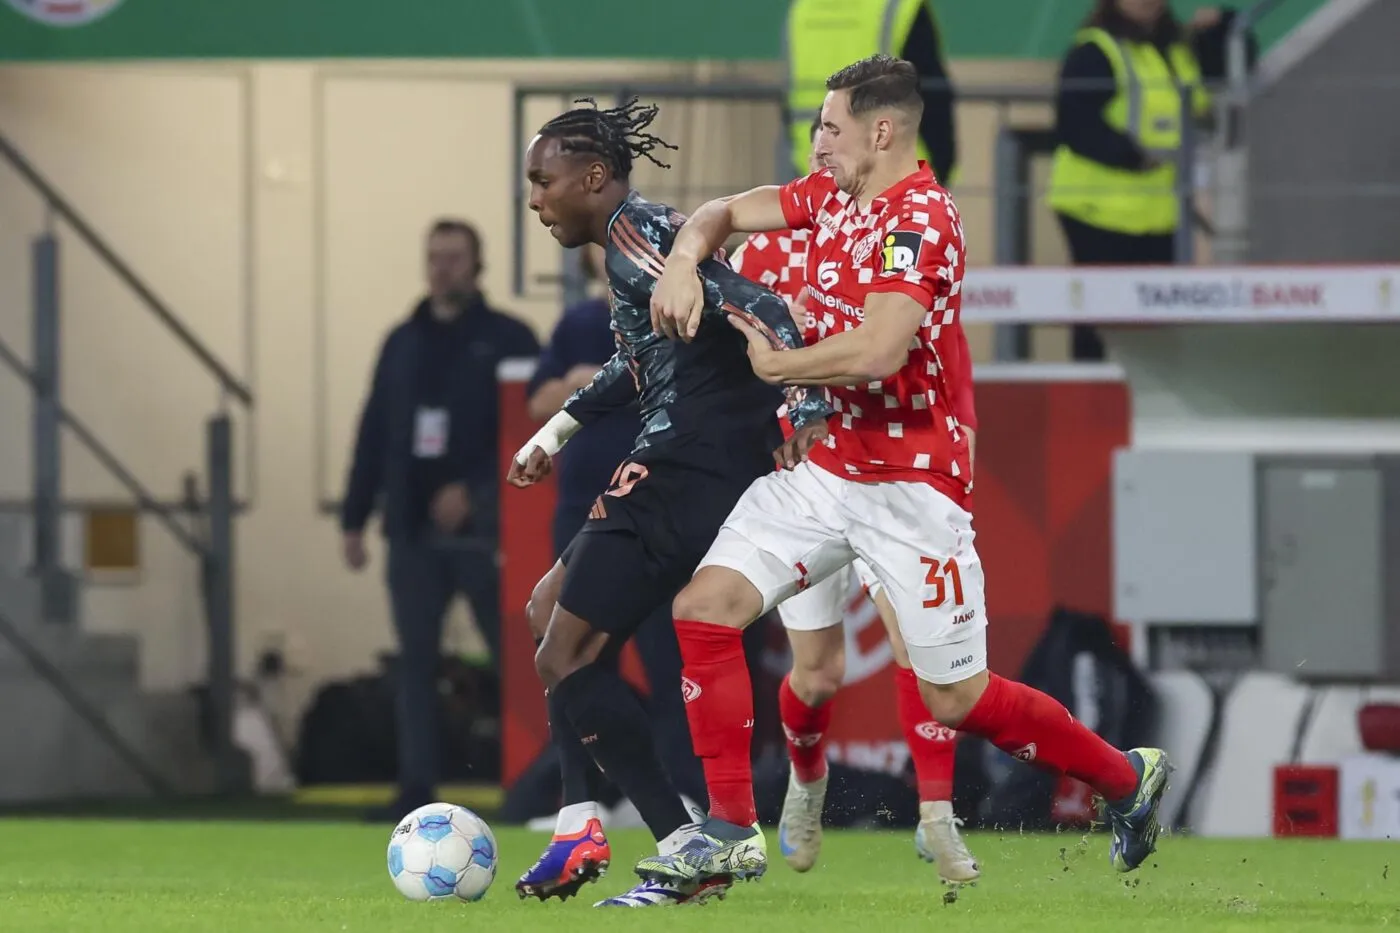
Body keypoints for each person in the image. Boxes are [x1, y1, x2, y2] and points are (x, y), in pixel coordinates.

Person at [636, 53, 1171, 890]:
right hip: (825, 470)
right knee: (704, 609)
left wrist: (781, 366)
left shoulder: (922, 217)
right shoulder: (831, 196)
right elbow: (723, 211)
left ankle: (1125, 779)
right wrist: (681, 260)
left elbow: (882, 348)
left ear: (881, 131)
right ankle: (731, 827)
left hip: (912, 485)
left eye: (830, 127)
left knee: (956, 697)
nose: (817, 143)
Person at [508, 97, 833, 908]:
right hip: (672, 460)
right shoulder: (634, 246)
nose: (534, 199)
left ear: (593, 177)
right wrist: (556, 431)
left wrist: (806, 406)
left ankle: (678, 840)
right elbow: (637, 363)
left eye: (543, 180)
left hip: (686, 466)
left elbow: (761, 306)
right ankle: (580, 820)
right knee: (547, 617)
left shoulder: (642, 239)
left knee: (563, 650)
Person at [730, 115, 978, 883]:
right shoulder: (760, 251)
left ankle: (937, 814)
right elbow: (724, 357)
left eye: (833, 142)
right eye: (817, 145)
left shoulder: (890, 232)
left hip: (887, 471)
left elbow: (926, 341)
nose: (826, 160)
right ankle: (806, 784)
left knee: (917, 647)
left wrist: (961, 430)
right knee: (817, 672)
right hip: (808, 480)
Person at [340, 218, 540, 821]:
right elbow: (374, 429)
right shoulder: (402, 342)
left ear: (476, 265)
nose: (442, 268)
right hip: (412, 532)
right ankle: (415, 790)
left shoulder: (509, 339)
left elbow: (528, 432)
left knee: (516, 659)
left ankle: (535, 784)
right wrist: (354, 517)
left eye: (453, 257)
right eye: (434, 257)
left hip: (487, 535)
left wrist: (478, 493)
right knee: (416, 665)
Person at [521, 242, 708, 831]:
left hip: (653, 510)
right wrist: (577, 386)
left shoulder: (675, 313)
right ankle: (587, 799)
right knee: (567, 651)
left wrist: (611, 382)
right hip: (583, 509)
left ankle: (683, 797)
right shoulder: (578, 324)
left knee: (667, 658)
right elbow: (539, 399)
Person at [1046, 0, 1234, 359]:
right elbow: (1075, 124)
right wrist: (1134, 157)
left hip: (1159, 213)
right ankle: (1094, 391)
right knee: (1101, 324)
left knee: (1155, 329)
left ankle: (1147, 393)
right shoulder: (1096, 51)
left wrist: (1224, 24)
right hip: (1097, 210)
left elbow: (1228, 67)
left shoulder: (1177, 50)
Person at [785, 0, 955, 184]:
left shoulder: (804, 9)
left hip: (817, 169)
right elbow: (933, 95)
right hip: (895, 173)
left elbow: (789, 94)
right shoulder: (900, 7)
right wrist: (940, 171)